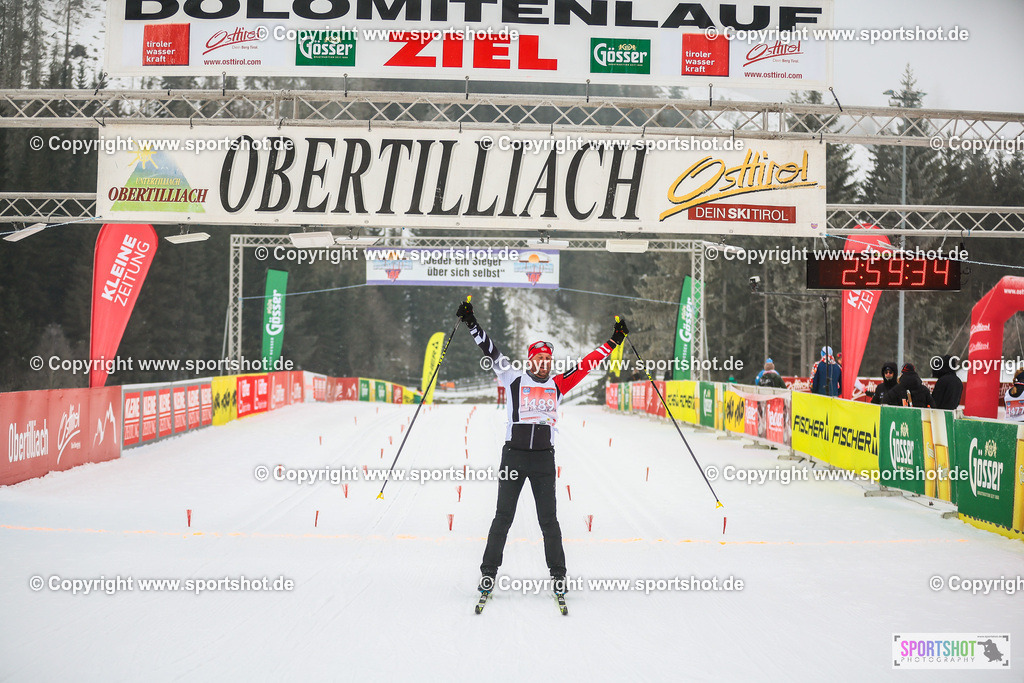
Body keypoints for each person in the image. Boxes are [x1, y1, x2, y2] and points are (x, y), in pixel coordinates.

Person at [456, 299, 627, 600]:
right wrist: (471, 322)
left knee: (549, 521)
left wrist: (614, 341)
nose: (545, 363)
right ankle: (488, 574)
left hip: (543, 461)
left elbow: (587, 365)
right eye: (540, 359)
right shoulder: (512, 377)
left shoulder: (558, 384)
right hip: (514, 456)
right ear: (530, 360)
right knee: (502, 518)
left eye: (548, 359)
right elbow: (490, 350)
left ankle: (558, 577)